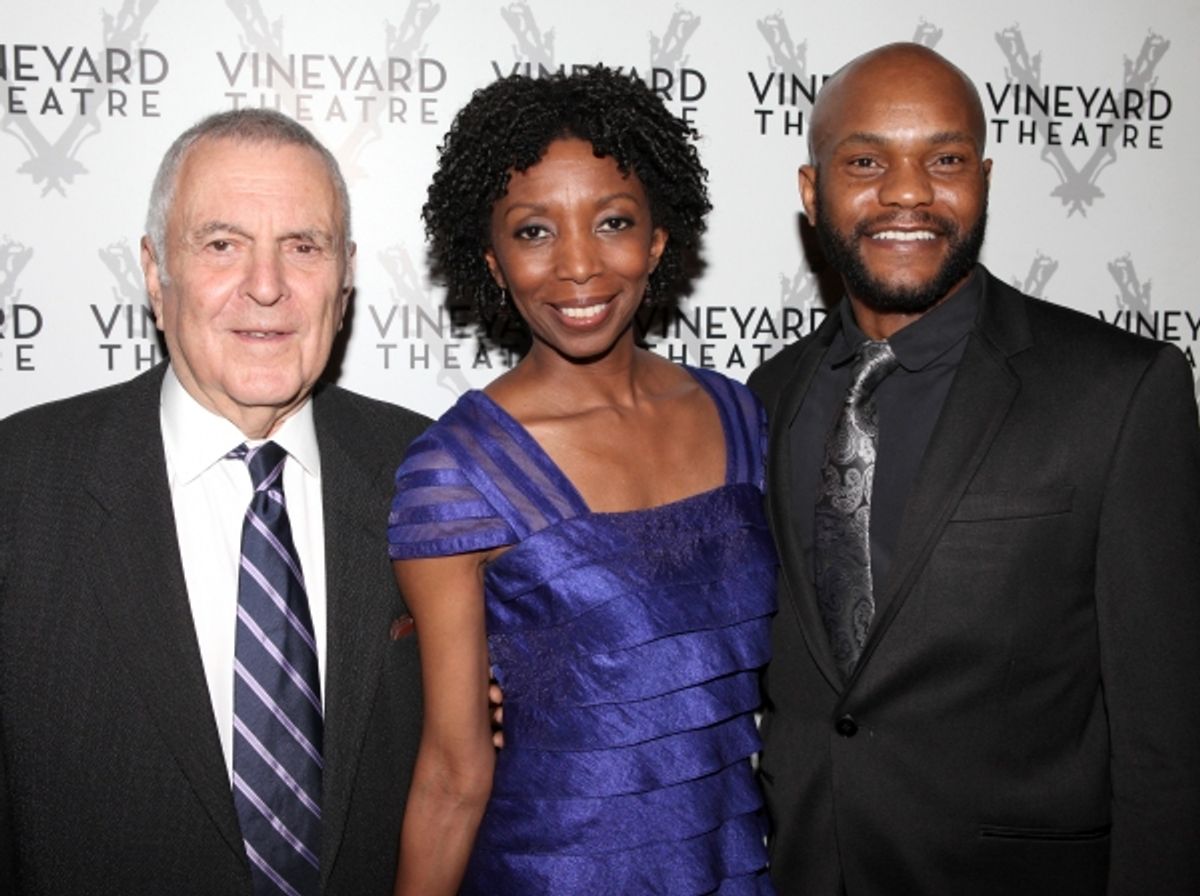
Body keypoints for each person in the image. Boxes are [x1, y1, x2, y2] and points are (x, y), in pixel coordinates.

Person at [748, 42, 1200, 895]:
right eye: (866, 161)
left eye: (945, 159)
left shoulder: (1120, 391)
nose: (910, 191)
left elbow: (1167, 738)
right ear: (813, 194)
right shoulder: (764, 399)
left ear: (984, 179)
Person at [0, 109, 429, 895]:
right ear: (155, 272)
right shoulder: (16, 489)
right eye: (222, 244)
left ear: (345, 280)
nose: (266, 287)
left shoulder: (430, 472)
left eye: (303, 247)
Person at [386, 67, 777, 895]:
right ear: (491, 260)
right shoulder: (452, 473)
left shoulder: (741, 417)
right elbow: (453, 774)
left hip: (733, 868)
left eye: (612, 221)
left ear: (658, 240)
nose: (578, 267)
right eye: (533, 232)